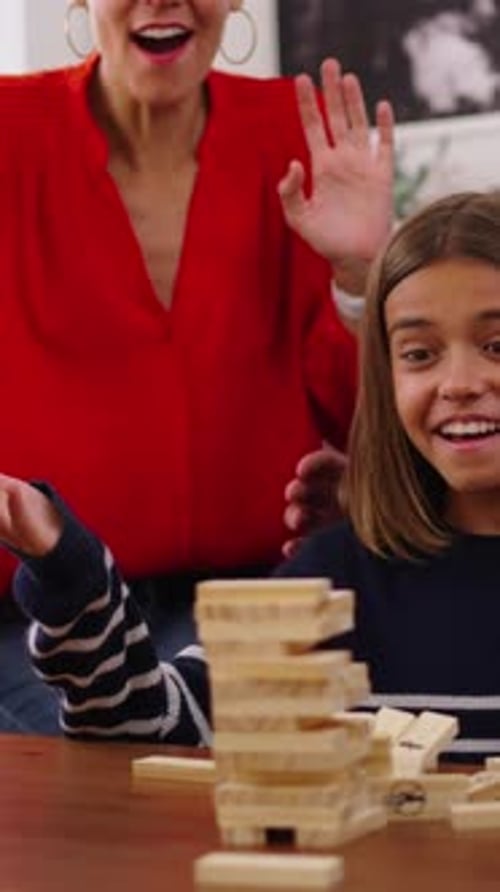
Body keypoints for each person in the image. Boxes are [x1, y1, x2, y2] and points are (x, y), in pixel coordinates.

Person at [0, 0, 395, 733]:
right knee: (105, 793)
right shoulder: (9, 131)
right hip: (43, 609)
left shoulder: (296, 135)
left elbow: (365, 420)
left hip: (263, 595)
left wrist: (358, 274)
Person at [6, 189, 500, 761]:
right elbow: (151, 733)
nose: (459, 381)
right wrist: (70, 571)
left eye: (495, 344)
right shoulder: (329, 578)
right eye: (419, 354)